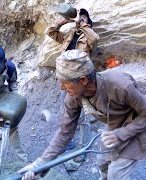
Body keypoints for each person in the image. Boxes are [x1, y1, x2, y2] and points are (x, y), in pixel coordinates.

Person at [18, 49, 146, 180]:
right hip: (115, 124)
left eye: (65, 83)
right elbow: (65, 132)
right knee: (102, 163)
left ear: (83, 80)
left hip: (138, 123)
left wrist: (122, 134)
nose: (61, 88)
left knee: (116, 174)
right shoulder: (73, 97)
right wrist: (39, 164)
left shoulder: (120, 85)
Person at [47, 7, 100, 158]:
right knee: (66, 111)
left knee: (83, 114)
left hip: (81, 81)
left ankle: (82, 149)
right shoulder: (69, 35)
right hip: (67, 79)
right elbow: (51, 32)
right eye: (79, 17)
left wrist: (83, 23)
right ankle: (67, 142)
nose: (79, 20)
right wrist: (64, 21)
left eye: (84, 18)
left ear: (88, 22)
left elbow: (95, 39)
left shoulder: (88, 38)